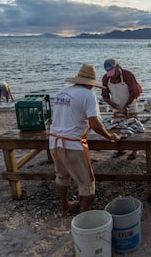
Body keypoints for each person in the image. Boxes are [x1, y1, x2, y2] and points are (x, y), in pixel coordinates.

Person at [49, 63, 120, 215]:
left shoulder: (61, 92)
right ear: (90, 84)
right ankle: (84, 216)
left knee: (62, 176)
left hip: (53, 142)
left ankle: (64, 207)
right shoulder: (88, 95)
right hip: (72, 145)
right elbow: (95, 123)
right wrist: (109, 136)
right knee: (87, 183)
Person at [101, 58, 143, 160]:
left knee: (134, 127)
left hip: (131, 105)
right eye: (109, 73)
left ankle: (134, 150)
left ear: (118, 67)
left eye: (113, 72)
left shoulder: (128, 75)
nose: (112, 76)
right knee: (118, 129)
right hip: (117, 107)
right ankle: (120, 150)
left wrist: (127, 106)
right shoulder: (106, 78)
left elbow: (134, 92)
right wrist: (111, 104)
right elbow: (105, 95)